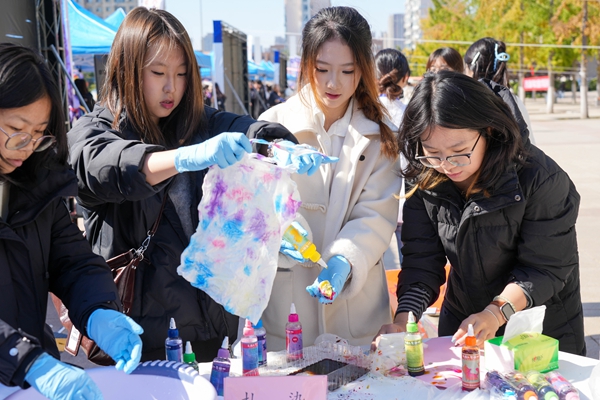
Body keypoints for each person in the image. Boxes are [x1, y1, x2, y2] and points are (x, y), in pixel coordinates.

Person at [67, 7, 300, 362]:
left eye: (181, 73)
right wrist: (181, 158)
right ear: (127, 70)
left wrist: (275, 145)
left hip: (213, 333)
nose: (171, 87)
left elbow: (245, 127)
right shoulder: (98, 129)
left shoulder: (199, 123)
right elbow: (106, 165)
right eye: (158, 73)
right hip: (138, 342)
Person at [373, 71, 585, 356]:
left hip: (539, 329)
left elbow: (545, 268)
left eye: (459, 150)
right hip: (465, 320)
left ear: (489, 130)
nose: (446, 164)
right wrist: (404, 320)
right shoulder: (426, 176)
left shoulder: (540, 178)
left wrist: (496, 312)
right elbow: (422, 262)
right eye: (432, 152)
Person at [0, 43, 143, 400]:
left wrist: (99, 311)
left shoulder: (35, 184)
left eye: (39, 133)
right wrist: (26, 361)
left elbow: (72, 261)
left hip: (27, 378)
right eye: (16, 129)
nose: (27, 146)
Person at [259, 6, 402, 349]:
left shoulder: (382, 135)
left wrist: (344, 261)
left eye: (347, 71)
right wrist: (278, 230)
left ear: (363, 69)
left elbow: (376, 215)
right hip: (286, 308)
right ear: (306, 64)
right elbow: (253, 206)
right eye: (322, 69)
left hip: (357, 313)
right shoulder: (272, 125)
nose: (333, 83)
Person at [375, 48, 411, 269]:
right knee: (408, 267)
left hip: (368, 203)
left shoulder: (363, 112)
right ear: (405, 78)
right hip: (403, 201)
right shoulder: (411, 113)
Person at [463, 37, 536, 145]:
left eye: (465, 68)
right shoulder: (514, 101)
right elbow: (530, 144)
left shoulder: (471, 103)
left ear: (473, 68)